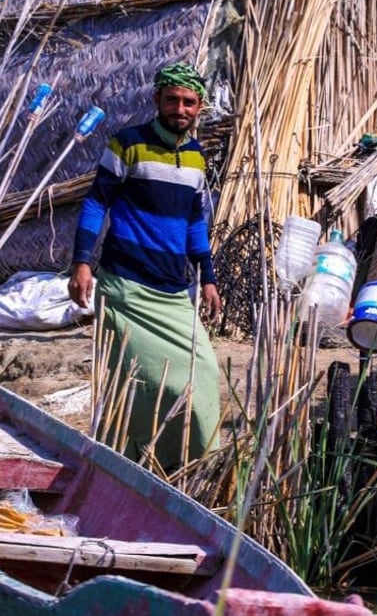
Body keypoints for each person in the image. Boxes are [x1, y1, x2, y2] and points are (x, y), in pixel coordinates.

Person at [68, 62, 222, 471]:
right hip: (125, 287)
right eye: (172, 99)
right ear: (156, 100)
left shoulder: (195, 158)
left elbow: (195, 221)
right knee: (133, 382)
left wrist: (207, 277)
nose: (180, 109)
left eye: (189, 102)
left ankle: (187, 465)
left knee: (201, 373)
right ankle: (122, 465)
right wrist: (82, 262)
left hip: (173, 292)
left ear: (200, 107)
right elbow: (96, 202)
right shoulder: (127, 144)